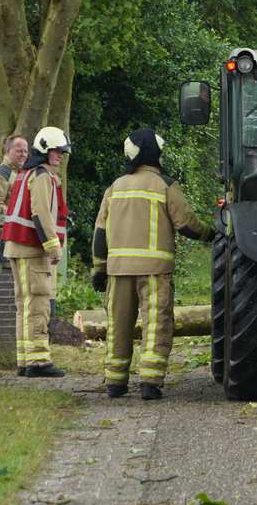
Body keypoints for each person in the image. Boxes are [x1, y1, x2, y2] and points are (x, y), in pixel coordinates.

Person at [91, 129, 214, 400]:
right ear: (154, 154)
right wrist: (212, 234)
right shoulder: (164, 185)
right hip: (154, 272)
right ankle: (149, 381)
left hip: (118, 271)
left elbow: (100, 233)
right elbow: (186, 224)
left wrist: (99, 269)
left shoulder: (115, 187)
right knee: (156, 324)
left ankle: (115, 382)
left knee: (119, 325)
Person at [0, 127, 70, 378]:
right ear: (45, 151)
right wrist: (53, 246)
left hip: (18, 247)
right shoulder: (41, 176)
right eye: (57, 151)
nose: (60, 156)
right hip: (33, 249)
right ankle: (39, 362)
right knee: (38, 303)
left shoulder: (25, 173)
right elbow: (41, 213)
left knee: (24, 305)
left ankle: (25, 359)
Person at [0, 135, 28, 258]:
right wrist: (18, 215)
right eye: (19, 151)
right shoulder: (2, 173)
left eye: (25, 151)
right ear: (8, 151)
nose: (23, 154)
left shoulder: (21, 173)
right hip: (4, 242)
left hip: (16, 238)